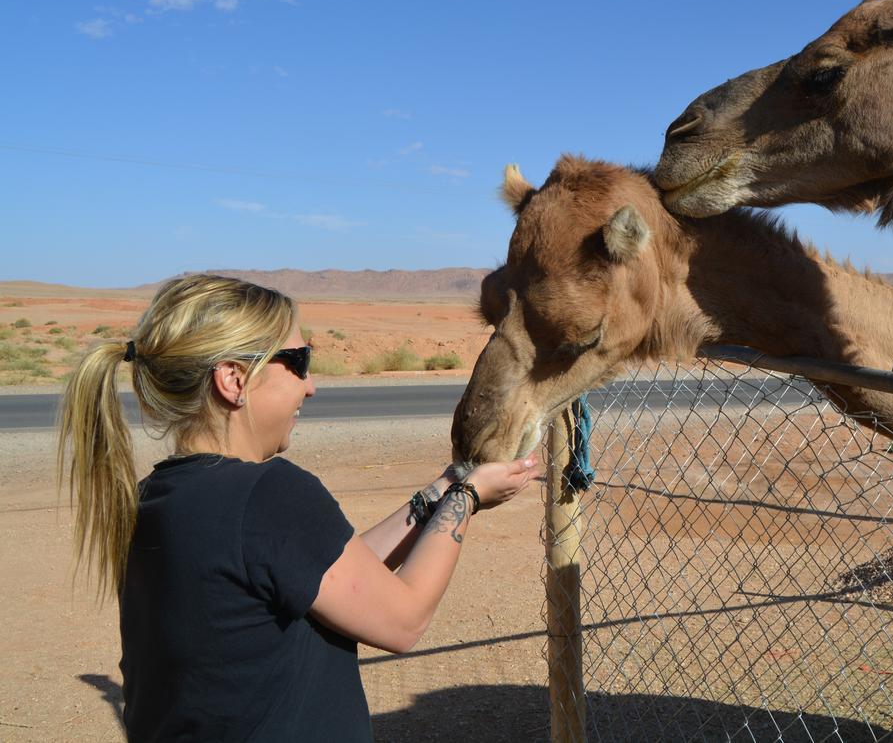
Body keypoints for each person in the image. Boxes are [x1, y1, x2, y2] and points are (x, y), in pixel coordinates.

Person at [56, 273, 539, 741]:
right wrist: (469, 498)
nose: (310, 386)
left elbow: (321, 570)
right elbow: (403, 620)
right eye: (298, 361)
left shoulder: (159, 496)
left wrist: (442, 490)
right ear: (233, 379)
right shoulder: (267, 493)